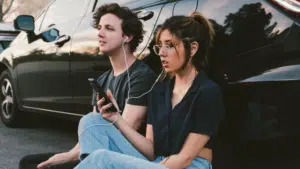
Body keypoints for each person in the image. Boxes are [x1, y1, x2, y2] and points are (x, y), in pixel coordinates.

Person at [74, 12, 225, 169]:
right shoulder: (159, 91)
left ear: (193, 48)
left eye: (170, 45)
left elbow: (184, 159)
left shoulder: (207, 92)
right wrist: (116, 118)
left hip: (190, 166)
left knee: (102, 158)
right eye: (160, 46)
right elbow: (151, 151)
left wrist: (147, 166)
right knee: (91, 121)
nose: (161, 53)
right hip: (157, 162)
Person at [18, 3, 156, 169]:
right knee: (29, 163)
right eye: (99, 27)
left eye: (109, 29)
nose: (100, 33)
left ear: (127, 37)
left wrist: (71, 158)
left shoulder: (140, 76)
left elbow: (122, 134)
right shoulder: (103, 79)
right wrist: (68, 155)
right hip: (100, 149)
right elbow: (91, 130)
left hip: (124, 156)